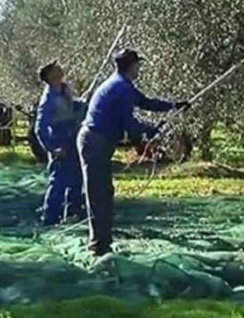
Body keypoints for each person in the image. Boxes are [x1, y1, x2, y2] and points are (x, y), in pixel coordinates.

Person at [76, 49, 189, 256]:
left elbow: (146, 103)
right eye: (138, 64)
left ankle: (102, 242)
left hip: (96, 140)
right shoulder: (121, 89)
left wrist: (173, 106)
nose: (139, 68)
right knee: (99, 194)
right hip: (95, 141)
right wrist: (153, 130)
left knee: (103, 192)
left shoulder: (122, 84)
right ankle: (98, 247)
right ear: (131, 65)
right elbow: (130, 125)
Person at [35, 60, 87, 226]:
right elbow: (39, 128)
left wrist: (83, 103)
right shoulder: (48, 99)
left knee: (76, 180)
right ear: (50, 76)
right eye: (56, 67)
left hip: (73, 140)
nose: (60, 68)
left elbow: (73, 106)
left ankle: (73, 215)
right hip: (60, 141)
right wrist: (52, 149)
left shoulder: (64, 90)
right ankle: (49, 220)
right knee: (58, 182)